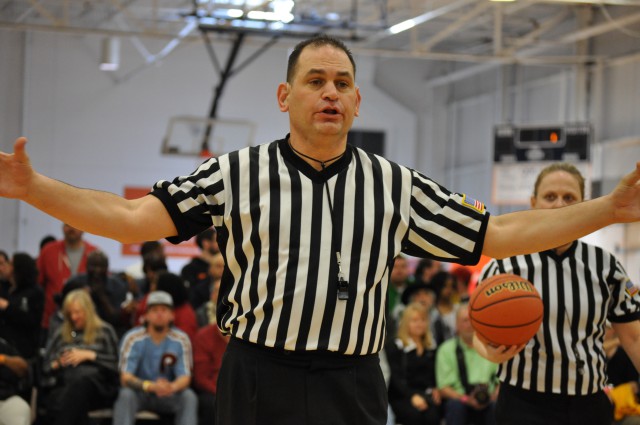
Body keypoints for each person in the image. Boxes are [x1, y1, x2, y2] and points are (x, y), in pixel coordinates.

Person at [3, 35, 640, 425]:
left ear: (357, 101)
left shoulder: (394, 185)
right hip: (258, 372)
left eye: (342, 83)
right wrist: (35, 189)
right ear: (286, 97)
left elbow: (496, 234)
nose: (330, 92)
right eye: (316, 81)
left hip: (352, 378)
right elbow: (131, 217)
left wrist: (609, 210)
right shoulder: (236, 172)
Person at [475, 162, 640, 425]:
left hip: (589, 404)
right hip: (522, 404)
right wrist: (488, 351)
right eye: (550, 197)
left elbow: (634, 337)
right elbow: (479, 334)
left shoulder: (606, 265)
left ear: (583, 204)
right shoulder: (505, 264)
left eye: (569, 198)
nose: (559, 204)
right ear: (533, 202)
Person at [113, 290, 196, 425]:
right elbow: (125, 378)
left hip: (168, 393)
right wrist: (150, 386)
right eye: (154, 310)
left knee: (188, 396)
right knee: (126, 395)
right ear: (146, 315)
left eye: (164, 310)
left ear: (172, 315)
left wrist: (171, 387)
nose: (159, 314)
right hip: (140, 393)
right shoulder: (132, 338)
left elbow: (185, 377)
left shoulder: (181, 339)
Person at [42, 289, 120, 425]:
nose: (73, 317)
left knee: (77, 389)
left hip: (97, 386)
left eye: (78, 312)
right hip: (66, 384)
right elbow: (46, 366)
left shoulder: (104, 331)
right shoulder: (62, 333)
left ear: (88, 311)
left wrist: (91, 356)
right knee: (67, 399)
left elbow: (116, 366)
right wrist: (58, 363)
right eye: (70, 313)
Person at [436, 304, 498, 425]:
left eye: (473, 321)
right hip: (460, 400)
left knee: (500, 405)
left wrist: (493, 396)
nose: (470, 324)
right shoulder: (446, 350)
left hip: (489, 400)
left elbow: (501, 381)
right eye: (465, 320)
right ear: (457, 325)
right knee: (455, 406)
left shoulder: (491, 347)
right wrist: (466, 399)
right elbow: (443, 388)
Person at [386, 302, 442, 425]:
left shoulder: (431, 347)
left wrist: (436, 389)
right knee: (414, 416)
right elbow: (395, 378)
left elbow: (433, 375)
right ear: (406, 323)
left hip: (425, 394)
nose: (419, 324)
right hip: (401, 396)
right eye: (414, 320)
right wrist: (412, 396)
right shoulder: (396, 346)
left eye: (423, 320)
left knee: (434, 416)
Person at [37, 222, 98, 330]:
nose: (71, 229)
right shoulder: (48, 251)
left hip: (85, 321)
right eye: (67, 224)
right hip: (53, 320)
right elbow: (37, 283)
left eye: (75, 224)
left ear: (84, 229)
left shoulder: (94, 253)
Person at [65, 250, 129, 337]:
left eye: (101, 266)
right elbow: (65, 312)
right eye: (93, 266)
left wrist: (101, 295)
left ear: (107, 268)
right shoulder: (75, 283)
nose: (97, 270)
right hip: (79, 332)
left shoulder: (117, 286)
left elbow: (117, 319)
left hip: (111, 332)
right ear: (86, 266)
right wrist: (83, 297)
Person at [0, 252, 44, 359]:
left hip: (22, 347)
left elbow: (31, 320)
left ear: (18, 269)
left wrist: (7, 307)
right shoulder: (5, 288)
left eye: (10, 264)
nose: (5, 267)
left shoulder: (34, 292)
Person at [180, 228, 219, 309]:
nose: (220, 243)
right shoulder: (189, 269)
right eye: (216, 240)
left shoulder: (226, 266)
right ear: (205, 243)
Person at [0, 337, 31, 425]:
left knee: (20, 408)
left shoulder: (3, 344)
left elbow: (23, 367)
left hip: (4, 398)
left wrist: (3, 359)